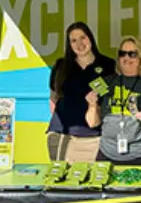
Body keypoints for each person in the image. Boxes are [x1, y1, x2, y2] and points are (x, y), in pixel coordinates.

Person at [85, 36, 141, 166]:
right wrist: (92, 104)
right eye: (122, 54)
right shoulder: (105, 82)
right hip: (107, 153)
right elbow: (92, 123)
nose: (126, 58)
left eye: (132, 54)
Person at [46, 22, 116, 162]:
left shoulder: (108, 65)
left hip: (95, 137)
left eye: (82, 37)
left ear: (90, 38)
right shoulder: (61, 66)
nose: (79, 44)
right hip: (63, 136)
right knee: (63, 182)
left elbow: (112, 99)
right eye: (73, 40)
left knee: (93, 180)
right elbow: (53, 97)